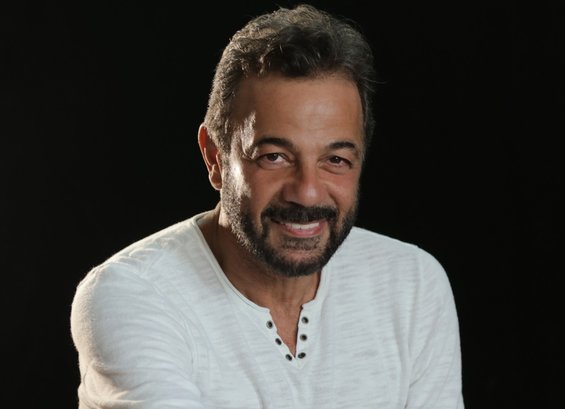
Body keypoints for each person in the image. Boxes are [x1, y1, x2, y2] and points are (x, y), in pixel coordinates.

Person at [70, 4, 464, 408]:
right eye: (274, 156)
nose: (307, 193)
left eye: (335, 160)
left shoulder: (414, 285)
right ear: (215, 157)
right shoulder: (133, 294)